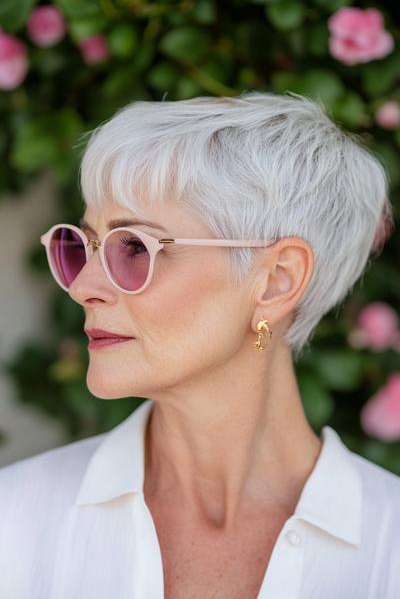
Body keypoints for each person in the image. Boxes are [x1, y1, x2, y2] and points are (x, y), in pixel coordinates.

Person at [0, 91, 399, 599]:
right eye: (81, 245)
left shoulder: (390, 550)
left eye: (133, 248)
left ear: (277, 280)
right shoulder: (13, 522)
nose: (83, 287)